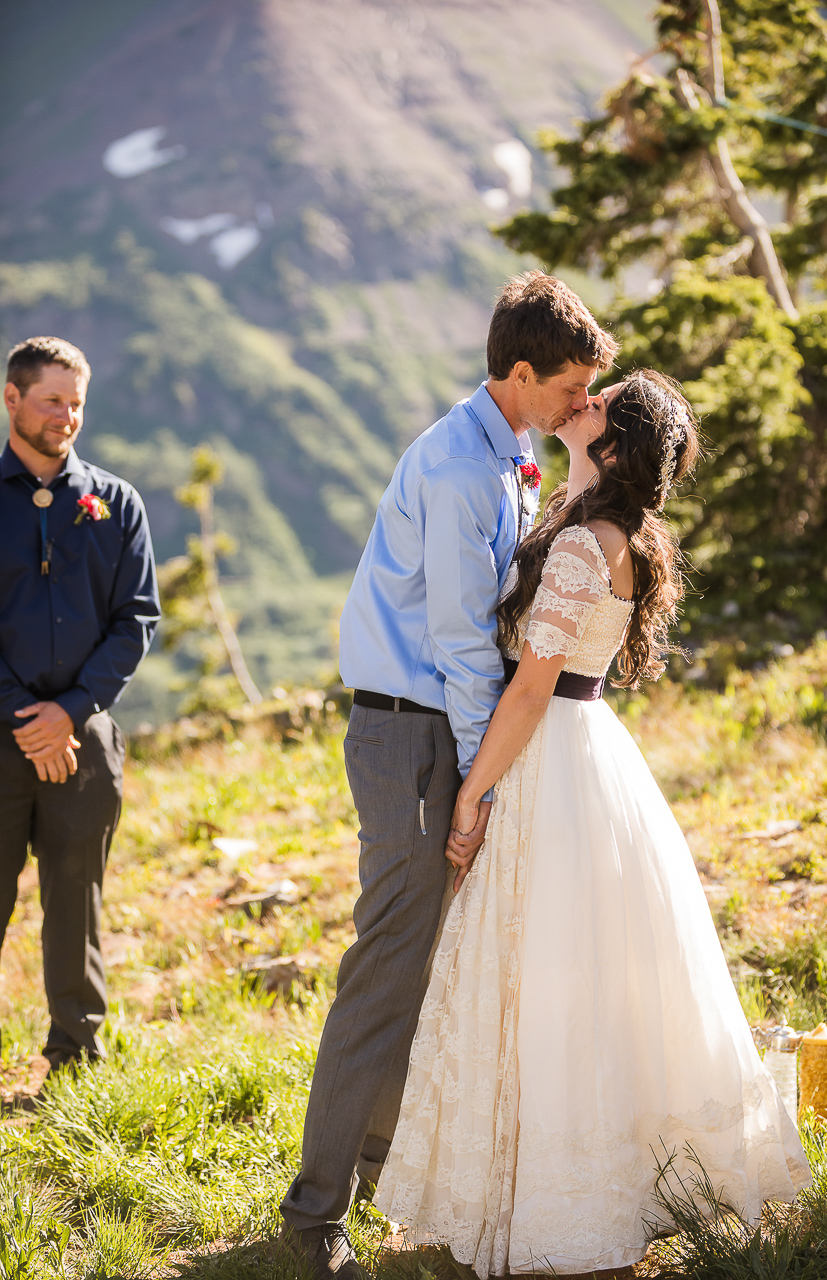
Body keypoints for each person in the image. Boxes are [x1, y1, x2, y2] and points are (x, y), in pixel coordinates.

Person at [375, 370, 812, 1277]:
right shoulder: (591, 521)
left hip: (551, 757)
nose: (584, 400)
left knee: (551, 970)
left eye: (600, 401)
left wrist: (470, 792)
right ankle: (553, 1178)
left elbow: (532, 686)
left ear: (612, 444)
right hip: (586, 752)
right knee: (570, 971)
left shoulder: (583, 546)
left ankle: (564, 1195)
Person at [277, 273, 619, 1279]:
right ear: (518, 372)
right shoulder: (461, 469)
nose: (577, 402)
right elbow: (463, 644)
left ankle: (385, 1172)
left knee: (429, 969)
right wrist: (480, 780)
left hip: (440, 730)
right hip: (415, 736)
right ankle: (312, 1213)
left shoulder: (505, 449)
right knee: (387, 966)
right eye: (569, 386)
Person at [0, 336, 160, 1071]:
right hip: (3, 736)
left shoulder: (116, 502)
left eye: (76, 403)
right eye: (51, 401)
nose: (66, 416)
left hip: (84, 740)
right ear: (12, 399)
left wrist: (70, 712)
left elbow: (136, 619)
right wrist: (25, 718)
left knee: (76, 900)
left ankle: (74, 1053)